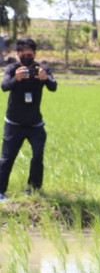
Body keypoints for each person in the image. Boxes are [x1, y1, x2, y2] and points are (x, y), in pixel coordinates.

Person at [0, 38, 58, 201]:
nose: (27, 57)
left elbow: (53, 87)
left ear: (34, 54)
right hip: (14, 124)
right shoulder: (13, 69)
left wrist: (45, 78)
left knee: (38, 156)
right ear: (18, 55)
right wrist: (16, 79)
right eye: (23, 54)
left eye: (30, 54)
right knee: (7, 158)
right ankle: (0, 192)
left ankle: (33, 190)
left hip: (35, 124)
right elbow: (4, 87)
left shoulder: (42, 69)